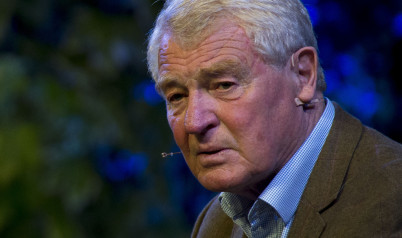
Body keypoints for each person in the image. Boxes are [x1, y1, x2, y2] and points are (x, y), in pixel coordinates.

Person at [146, 0, 402, 237]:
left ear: (303, 75)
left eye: (224, 85)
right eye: (177, 96)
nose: (194, 123)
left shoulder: (393, 202)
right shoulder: (215, 223)